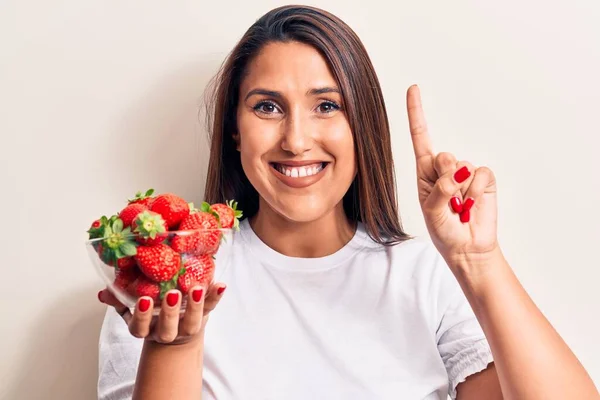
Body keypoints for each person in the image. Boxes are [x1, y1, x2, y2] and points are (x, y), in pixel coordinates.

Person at [96, 5, 599, 400]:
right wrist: (176, 343)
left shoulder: (426, 279)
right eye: (267, 107)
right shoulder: (168, 287)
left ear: (362, 127)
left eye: (327, 106)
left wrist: (478, 262)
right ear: (234, 131)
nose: (296, 139)